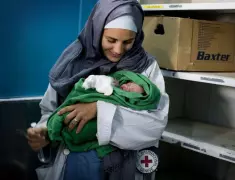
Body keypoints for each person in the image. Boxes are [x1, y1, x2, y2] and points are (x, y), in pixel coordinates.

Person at [26, 0, 169, 179]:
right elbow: (51, 111)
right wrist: (45, 134)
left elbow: (155, 125)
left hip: (122, 167)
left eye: (128, 41)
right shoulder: (72, 62)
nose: (118, 50)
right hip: (71, 165)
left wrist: (99, 110)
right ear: (97, 30)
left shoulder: (145, 66)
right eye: (111, 40)